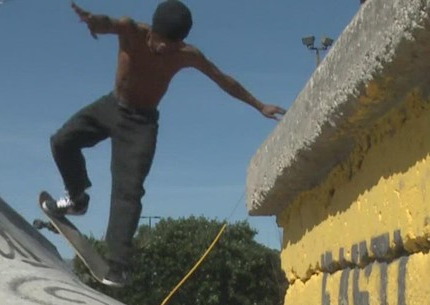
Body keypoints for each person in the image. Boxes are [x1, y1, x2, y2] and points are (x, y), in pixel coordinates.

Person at [47, 0, 286, 287]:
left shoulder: (187, 55)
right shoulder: (131, 30)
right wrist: (93, 22)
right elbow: (107, 23)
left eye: (172, 47)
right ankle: (77, 198)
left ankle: (119, 265)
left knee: (128, 190)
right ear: (152, 31)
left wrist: (259, 105)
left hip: (141, 124)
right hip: (111, 107)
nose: (164, 51)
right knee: (62, 141)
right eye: (160, 43)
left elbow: (223, 79)